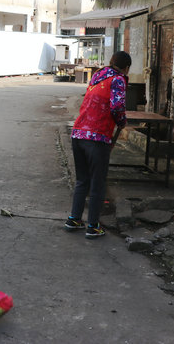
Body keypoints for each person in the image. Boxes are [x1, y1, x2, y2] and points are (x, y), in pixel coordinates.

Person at [65, 50, 131, 239]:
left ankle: (74, 219)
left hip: (78, 133)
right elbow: (117, 106)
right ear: (126, 68)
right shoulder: (118, 79)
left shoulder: (98, 75)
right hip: (97, 136)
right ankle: (93, 226)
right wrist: (121, 122)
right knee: (97, 182)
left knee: (82, 180)